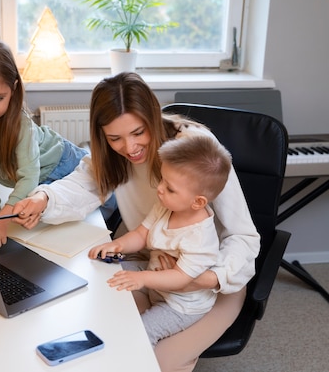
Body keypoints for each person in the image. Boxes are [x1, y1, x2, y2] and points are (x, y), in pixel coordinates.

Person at [11, 72, 260, 372]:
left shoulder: (194, 148)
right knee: (101, 331)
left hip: (209, 288)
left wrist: (201, 278)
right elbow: (79, 187)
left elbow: (244, 237)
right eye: (115, 138)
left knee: (149, 361)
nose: (129, 148)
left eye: (138, 132)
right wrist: (42, 200)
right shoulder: (113, 156)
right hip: (150, 269)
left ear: (153, 117)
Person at [89, 135, 232, 347]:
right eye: (163, 179)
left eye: (170, 188)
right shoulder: (166, 206)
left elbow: (181, 279)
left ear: (198, 202)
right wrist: (117, 245)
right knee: (106, 273)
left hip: (180, 304)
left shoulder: (200, 238)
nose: (160, 188)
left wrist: (143, 279)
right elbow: (141, 234)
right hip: (154, 275)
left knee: (141, 334)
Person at [0, 38, 88, 249]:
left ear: (13, 89)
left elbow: (29, 176)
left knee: (102, 212)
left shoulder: (21, 123)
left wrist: (1, 221)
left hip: (63, 165)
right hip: (38, 184)